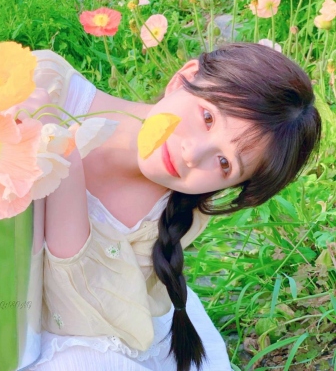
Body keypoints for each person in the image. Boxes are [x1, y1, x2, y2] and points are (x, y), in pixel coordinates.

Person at [27, 43, 321, 371]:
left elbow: (79, 313)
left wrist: (63, 159)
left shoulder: (174, 213)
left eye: (224, 163)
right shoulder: (44, 85)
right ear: (184, 78)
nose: (192, 154)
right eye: (207, 117)